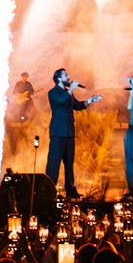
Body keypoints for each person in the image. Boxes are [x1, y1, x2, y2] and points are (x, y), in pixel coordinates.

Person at [44, 68, 98, 201]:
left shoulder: (68, 94)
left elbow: (78, 106)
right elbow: (61, 101)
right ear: (58, 78)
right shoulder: (53, 92)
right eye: (65, 75)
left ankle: (71, 190)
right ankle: (48, 190)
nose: (68, 77)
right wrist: (71, 89)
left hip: (69, 132)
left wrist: (90, 100)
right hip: (58, 132)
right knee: (54, 162)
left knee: (69, 163)